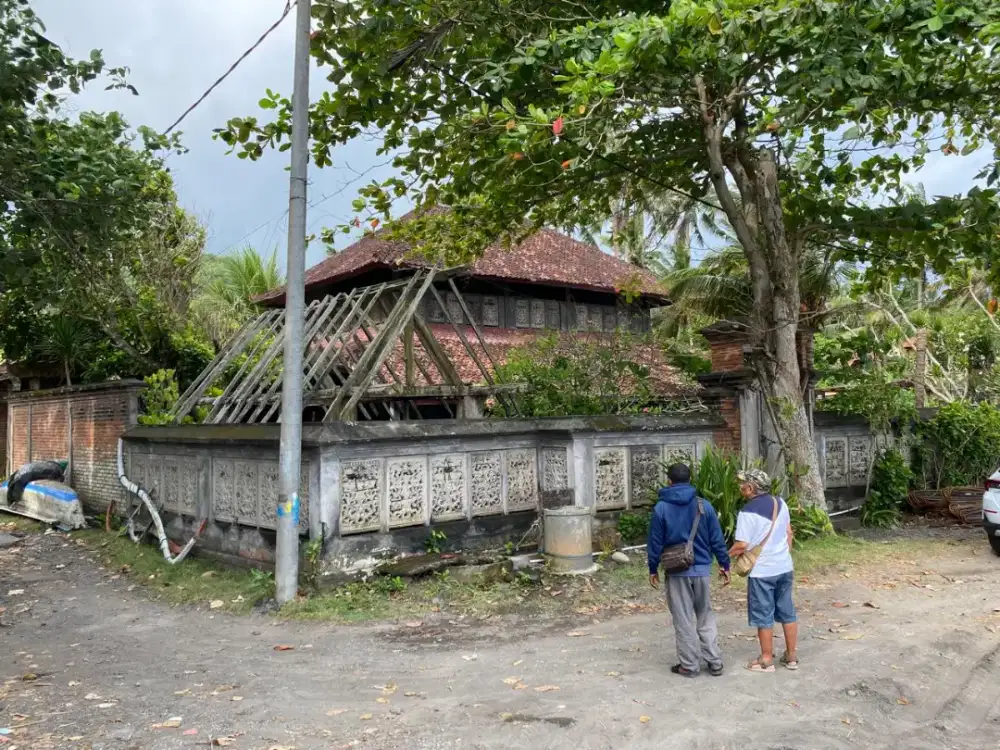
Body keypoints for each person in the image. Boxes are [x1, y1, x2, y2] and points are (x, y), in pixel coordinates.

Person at [647, 462, 731, 678]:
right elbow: (717, 539)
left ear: (669, 481)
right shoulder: (704, 506)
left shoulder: (661, 508)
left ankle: (689, 666)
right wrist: (724, 564)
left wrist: (653, 568)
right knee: (705, 616)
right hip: (702, 569)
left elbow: (655, 542)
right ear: (690, 480)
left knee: (683, 618)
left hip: (677, 571)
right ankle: (715, 662)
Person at [730, 468, 798, 673]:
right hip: (784, 567)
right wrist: (784, 555)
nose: (740, 487)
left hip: (762, 571)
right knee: (787, 611)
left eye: (742, 484)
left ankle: (766, 660)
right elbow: (788, 532)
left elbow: (742, 545)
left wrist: (725, 556)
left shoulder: (747, 511)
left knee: (763, 615)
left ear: (750, 488)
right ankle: (792, 656)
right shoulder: (781, 503)